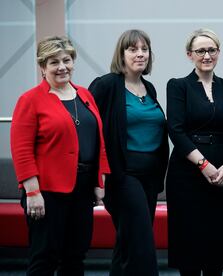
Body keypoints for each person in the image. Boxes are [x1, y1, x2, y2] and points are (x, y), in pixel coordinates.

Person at [10, 36, 110, 275]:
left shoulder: (85, 95)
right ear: (43, 67)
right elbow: (21, 150)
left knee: (75, 256)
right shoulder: (30, 100)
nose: (62, 67)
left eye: (66, 60)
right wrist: (32, 192)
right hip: (46, 192)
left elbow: (100, 141)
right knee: (44, 257)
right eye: (54, 62)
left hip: (83, 189)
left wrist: (100, 181)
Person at [88, 29, 169, 276]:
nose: (140, 54)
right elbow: (91, 132)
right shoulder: (106, 85)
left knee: (128, 240)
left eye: (144, 49)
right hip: (122, 175)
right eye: (133, 49)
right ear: (121, 54)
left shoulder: (149, 88)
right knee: (142, 240)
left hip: (150, 176)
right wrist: (96, 178)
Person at [166, 28, 223, 276]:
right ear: (190, 55)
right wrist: (204, 165)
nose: (207, 55)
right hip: (187, 171)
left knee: (216, 245)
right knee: (189, 245)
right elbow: (176, 131)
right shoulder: (178, 86)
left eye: (212, 50)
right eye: (200, 51)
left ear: (218, 53)